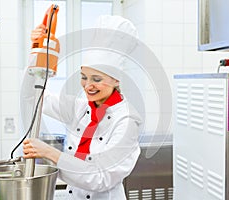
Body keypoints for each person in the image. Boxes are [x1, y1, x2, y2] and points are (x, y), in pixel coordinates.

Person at [22, 15, 142, 199]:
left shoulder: (126, 121)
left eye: (97, 79)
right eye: (84, 77)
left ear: (116, 79)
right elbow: (32, 98)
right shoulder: (79, 108)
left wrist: (49, 152)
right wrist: (37, 52)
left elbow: (100, 178)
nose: (87, 86)